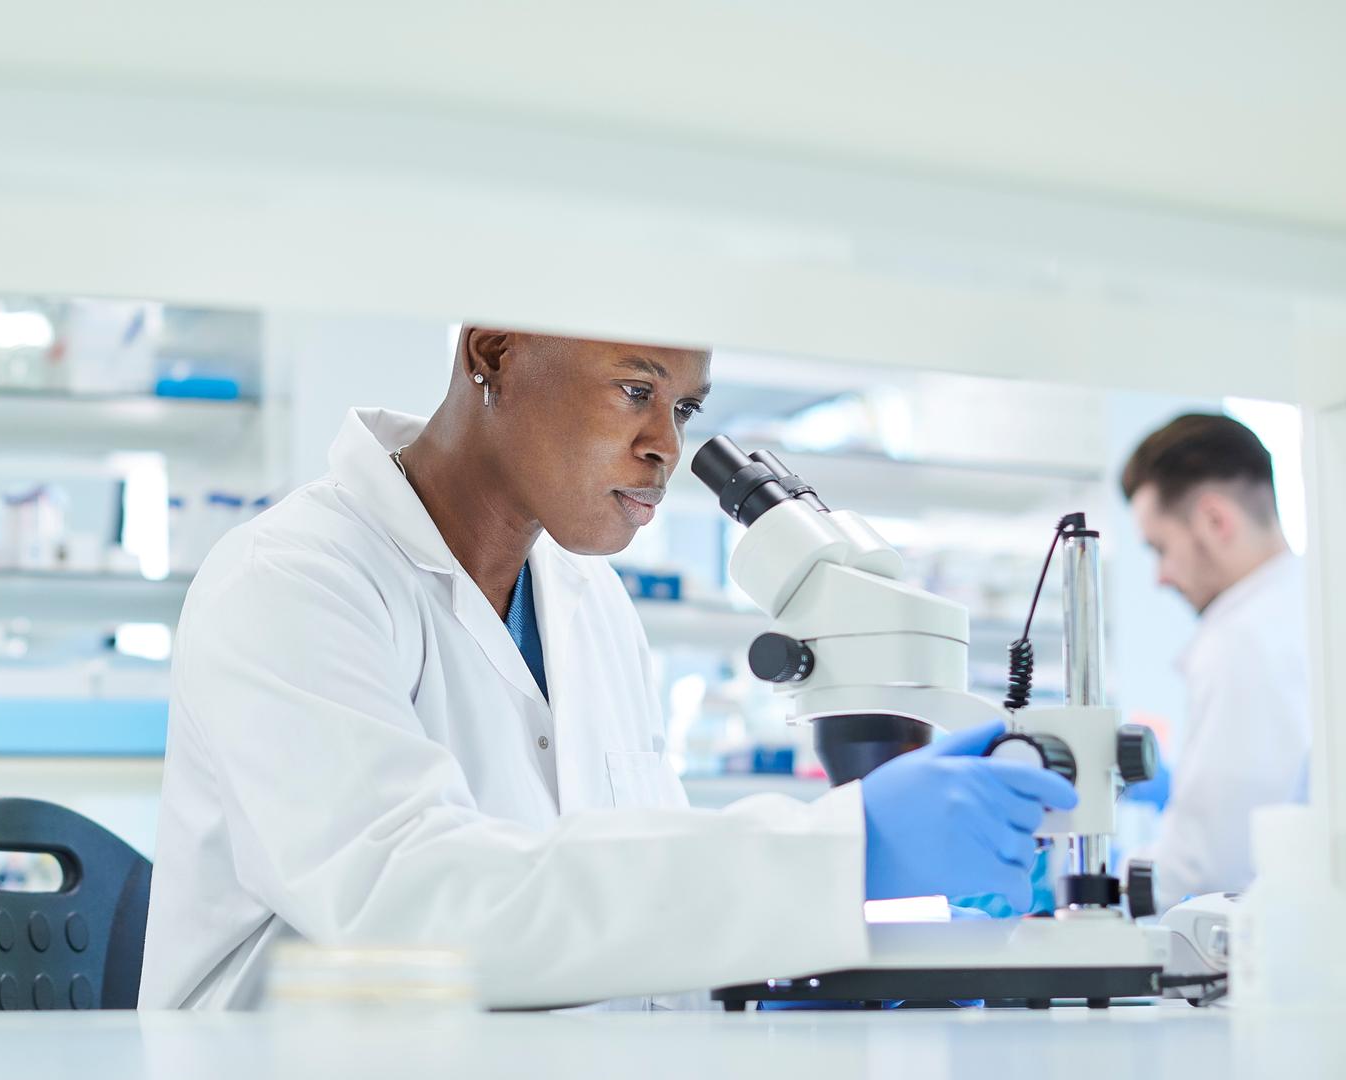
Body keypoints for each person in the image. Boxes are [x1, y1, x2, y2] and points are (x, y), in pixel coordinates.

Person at [142, 330, 1074, 1010]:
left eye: (686, 408)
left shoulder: (588, 605)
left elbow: (631, 892)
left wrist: (797, 956)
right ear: (495, 354)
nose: (666, 444)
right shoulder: (294, 580)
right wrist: (840, 855)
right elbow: (408, 908)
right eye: (636, 389)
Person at [1120, 412, 1311, 910]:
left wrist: (1086, 897)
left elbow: (1209, 864)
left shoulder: (1241, 637)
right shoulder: (1313, 601)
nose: (1160, 576)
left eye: (1160, 548)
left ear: (1214, 520)